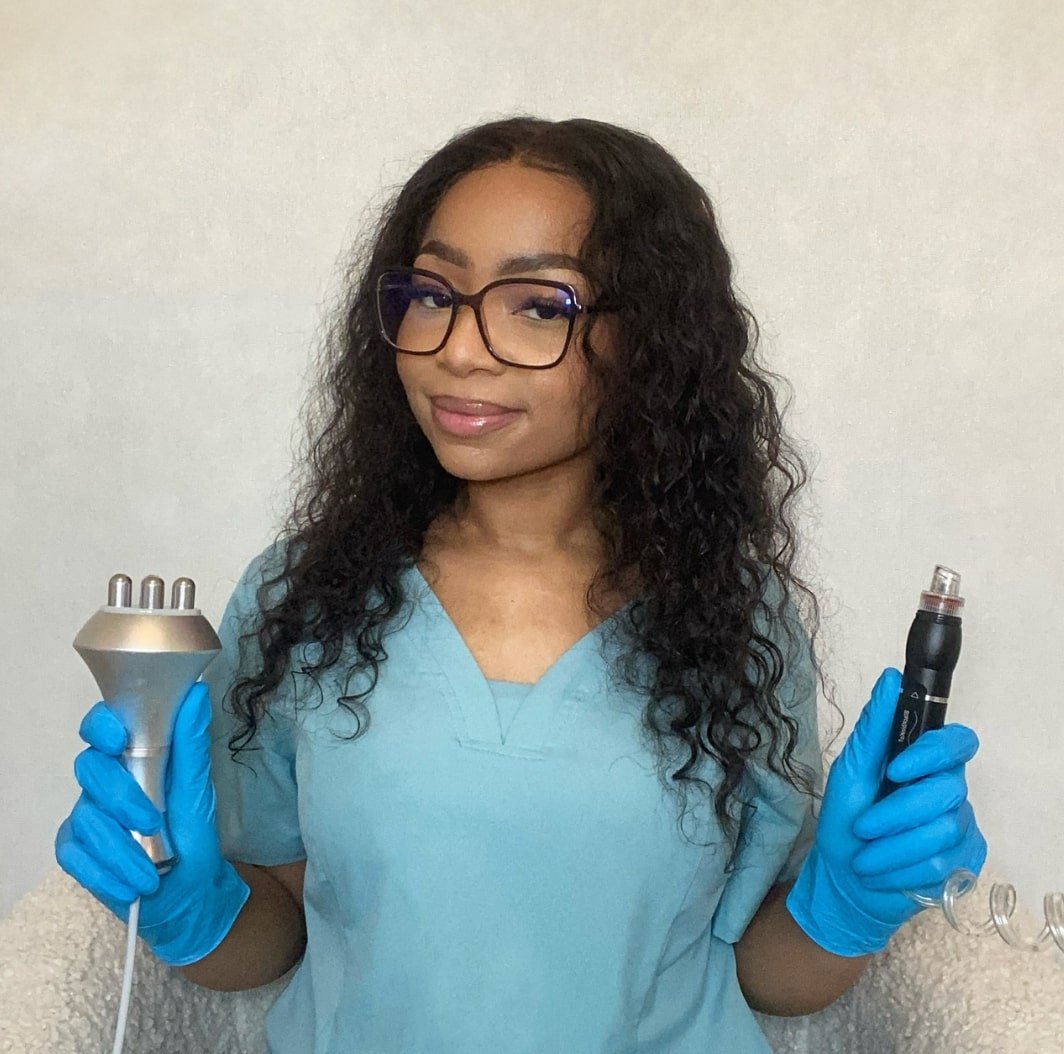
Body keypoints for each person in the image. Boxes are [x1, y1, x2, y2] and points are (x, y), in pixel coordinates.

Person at [55, 116, 987, 1053]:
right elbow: (278, 928)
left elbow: (765, 975)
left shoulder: (733, 621)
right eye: (432, 294)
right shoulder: (304, 600)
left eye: (539, 306)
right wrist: (188, 905)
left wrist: (847, 903)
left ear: (649, 340)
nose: (459, 350)